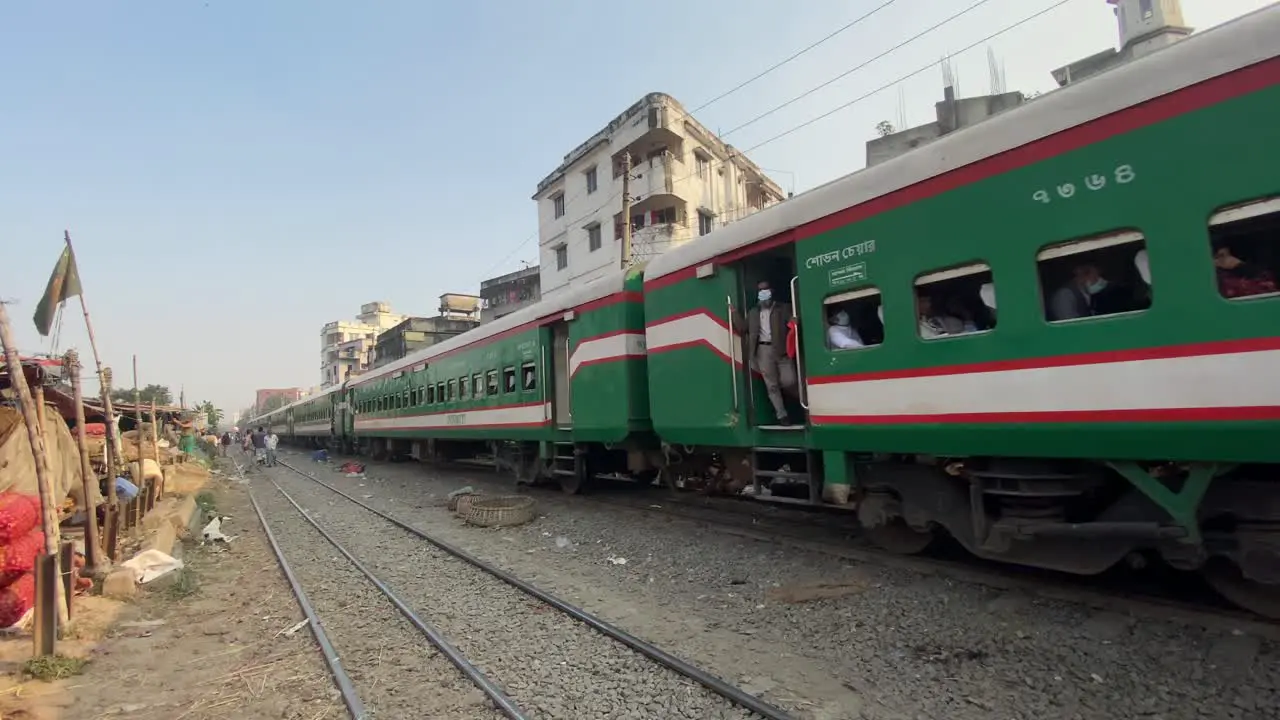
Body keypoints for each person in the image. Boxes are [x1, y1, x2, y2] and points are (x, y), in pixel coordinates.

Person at [739, 280, 798, 425]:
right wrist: (733, 312)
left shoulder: (783, 308)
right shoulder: (753, 312)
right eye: (760, 291)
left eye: (765, 289)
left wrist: (795, 321)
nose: (763, 293)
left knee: (789, 381)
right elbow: (742, 327)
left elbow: (792, 320)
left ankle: (799, 405)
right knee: (771, 385)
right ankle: (782, 415)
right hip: (762, 350)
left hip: (781, 349)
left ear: (771, 291)